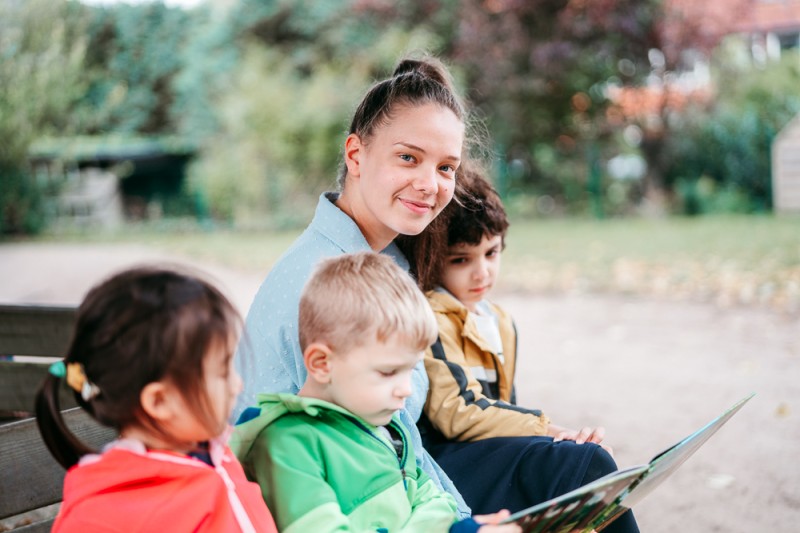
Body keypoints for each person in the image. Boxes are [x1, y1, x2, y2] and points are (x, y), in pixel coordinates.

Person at [235, 53, 473, 517]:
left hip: (396, 476)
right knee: (572, 469)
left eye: (446, 168)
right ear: (355, 155)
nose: (430, 184)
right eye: (408, 158)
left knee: (575, 467)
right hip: (344, 503)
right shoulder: (324, 282)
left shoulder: (383, 260)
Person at [396, 169, 639, 532]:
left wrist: (555, 444)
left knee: (582, 466)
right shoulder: (429, 316)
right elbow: (458, 412)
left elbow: (505, 406)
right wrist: (552, 431)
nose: (482, 273)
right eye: (461, 260)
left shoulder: (500, 321)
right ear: (434, 260)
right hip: (447, 466)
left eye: (491, 253)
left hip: (489, 455)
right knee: (586, 464)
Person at [232, 252, 519, 533]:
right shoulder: (287, 444)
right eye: (388, 372)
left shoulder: (389, 429)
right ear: (322, 363)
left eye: (410, 370)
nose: (406, 389)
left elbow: (437, 502)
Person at [35, 266, 277, 533]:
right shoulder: (111, 513)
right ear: (159, 401)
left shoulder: (211, 452)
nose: (237, 384)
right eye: (222, 372)